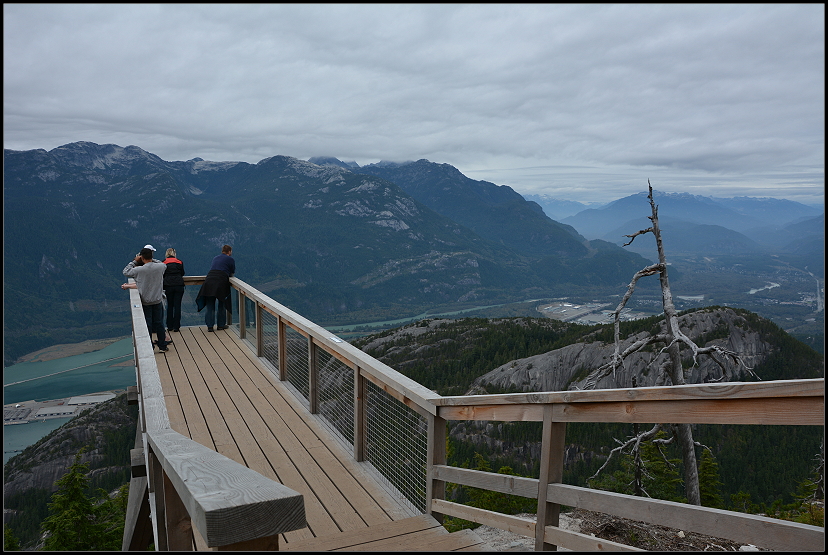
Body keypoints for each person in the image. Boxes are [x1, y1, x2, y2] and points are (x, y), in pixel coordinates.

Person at [122, 247, 169, 352]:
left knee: (148, 325)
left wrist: (135, 261)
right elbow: (163, 264)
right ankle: (162, 346)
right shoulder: (160, 267)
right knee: (159, 323)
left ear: (142, 257)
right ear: (152, 256)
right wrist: (152, 260)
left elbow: (126, 271)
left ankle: (150, 346)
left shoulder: (139, 270)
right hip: (157, 300)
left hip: (145, 301)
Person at [195, 245, 235, 332]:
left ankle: (210, 326)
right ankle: (220, 325)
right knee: (222, 303)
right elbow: (232, 272)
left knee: (210, 305)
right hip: (221, 281)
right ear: (229, 251)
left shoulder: (215, 258)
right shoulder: (230, 259)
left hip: (209, 281)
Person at [163, 247, 186, 332]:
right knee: (177, 306)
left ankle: (169, 326)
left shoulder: (163, 262)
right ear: (174, 253)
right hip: (179, 285)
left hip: (168, 285)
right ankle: (176, 326)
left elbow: (162, 274)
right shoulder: (179, 262)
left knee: (170, 306)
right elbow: (182, 273)